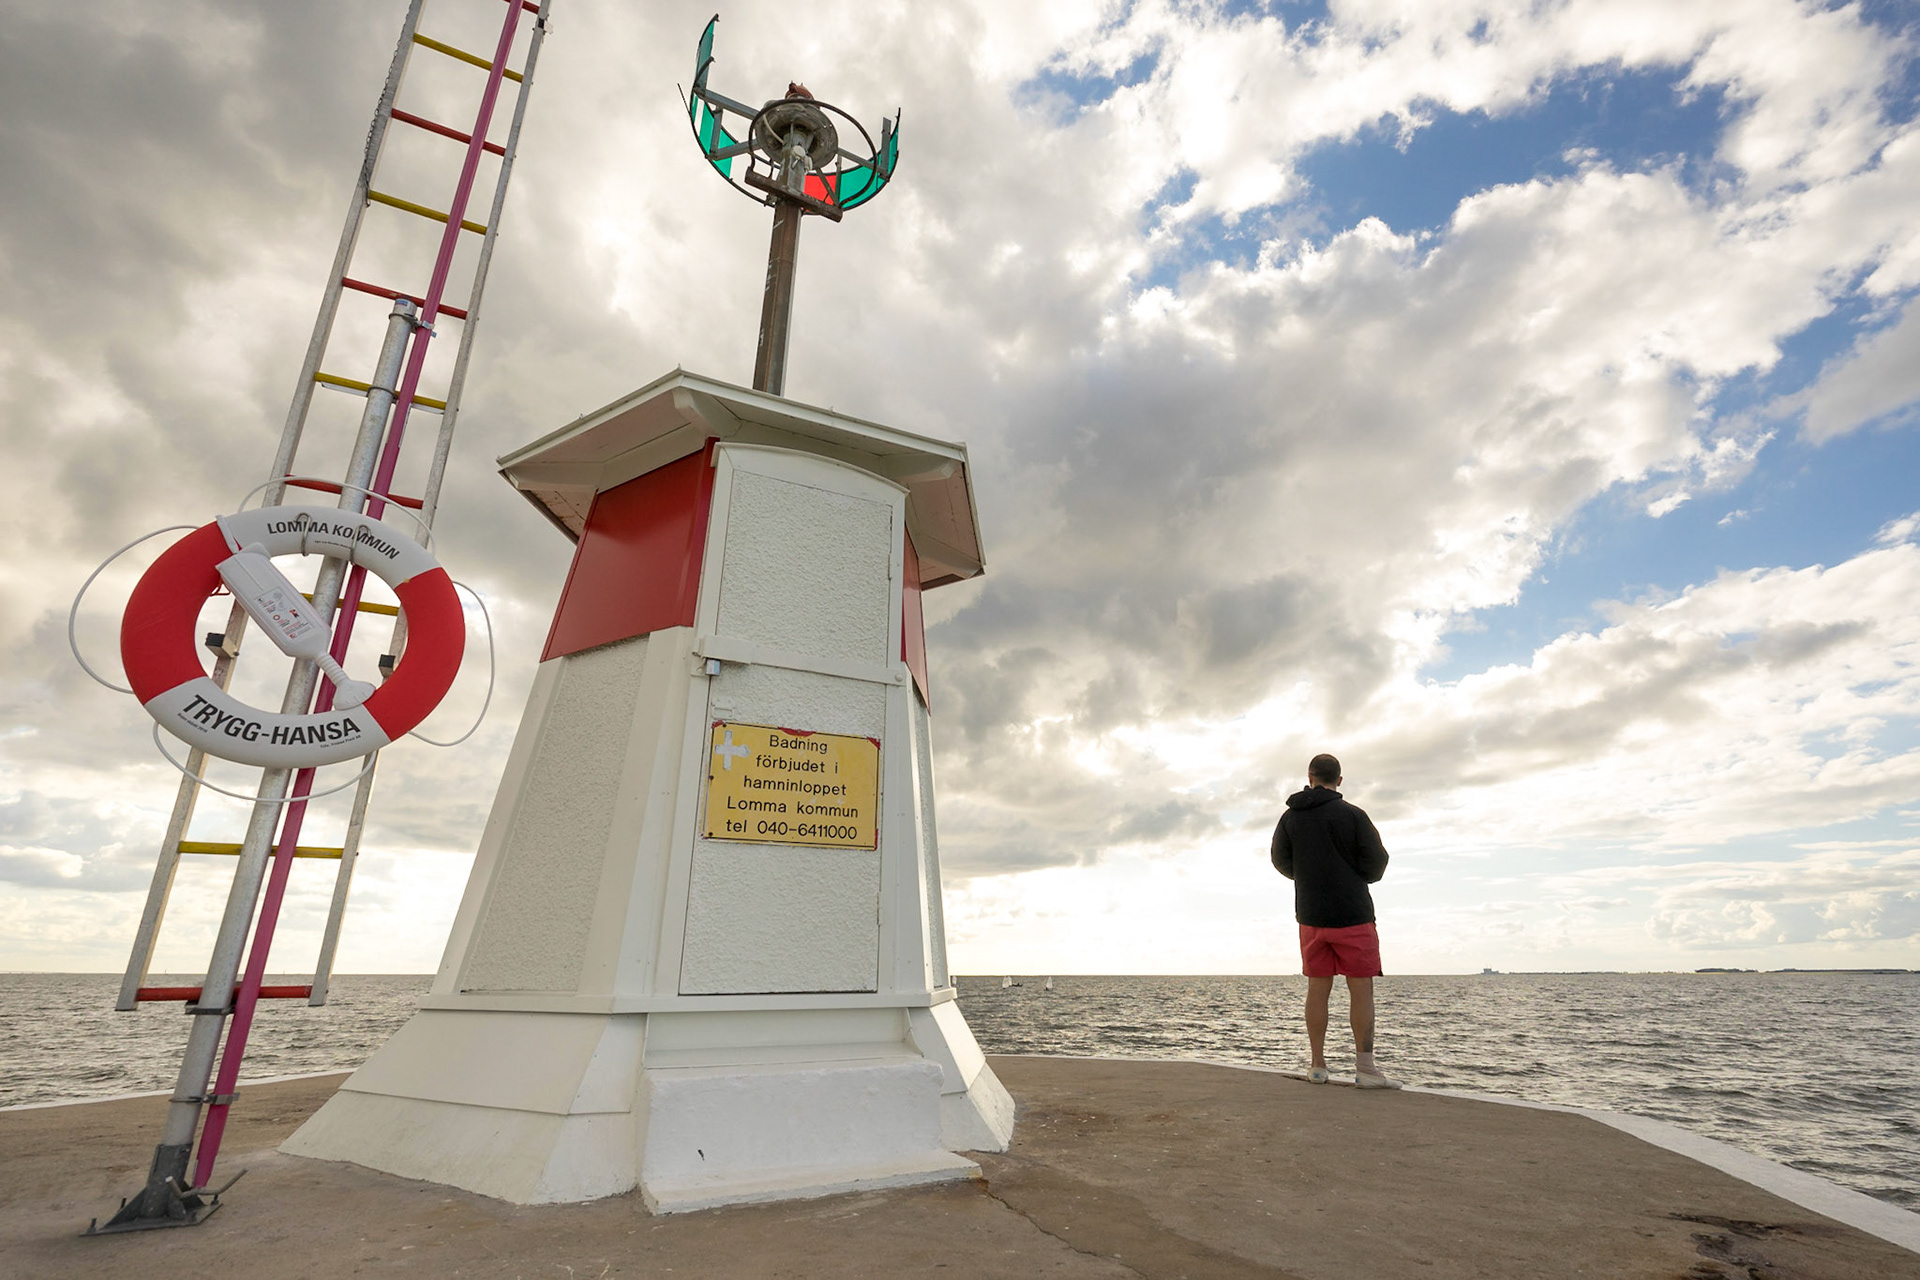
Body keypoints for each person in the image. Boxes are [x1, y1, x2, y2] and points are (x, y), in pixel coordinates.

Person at [1271, 753, 1398, 1088]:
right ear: (1339, 780)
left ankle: (1317, 1065)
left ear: (1310, 777)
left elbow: (1280, 860)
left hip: (1311, 915)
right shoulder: (1353, 815)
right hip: (1353, 913)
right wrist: (1354, 877)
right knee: (1361, 989)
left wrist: (1307, 878)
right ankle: (1366, 1069)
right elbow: (1377, 862)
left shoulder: (1290, 818)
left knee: (1318, 987)